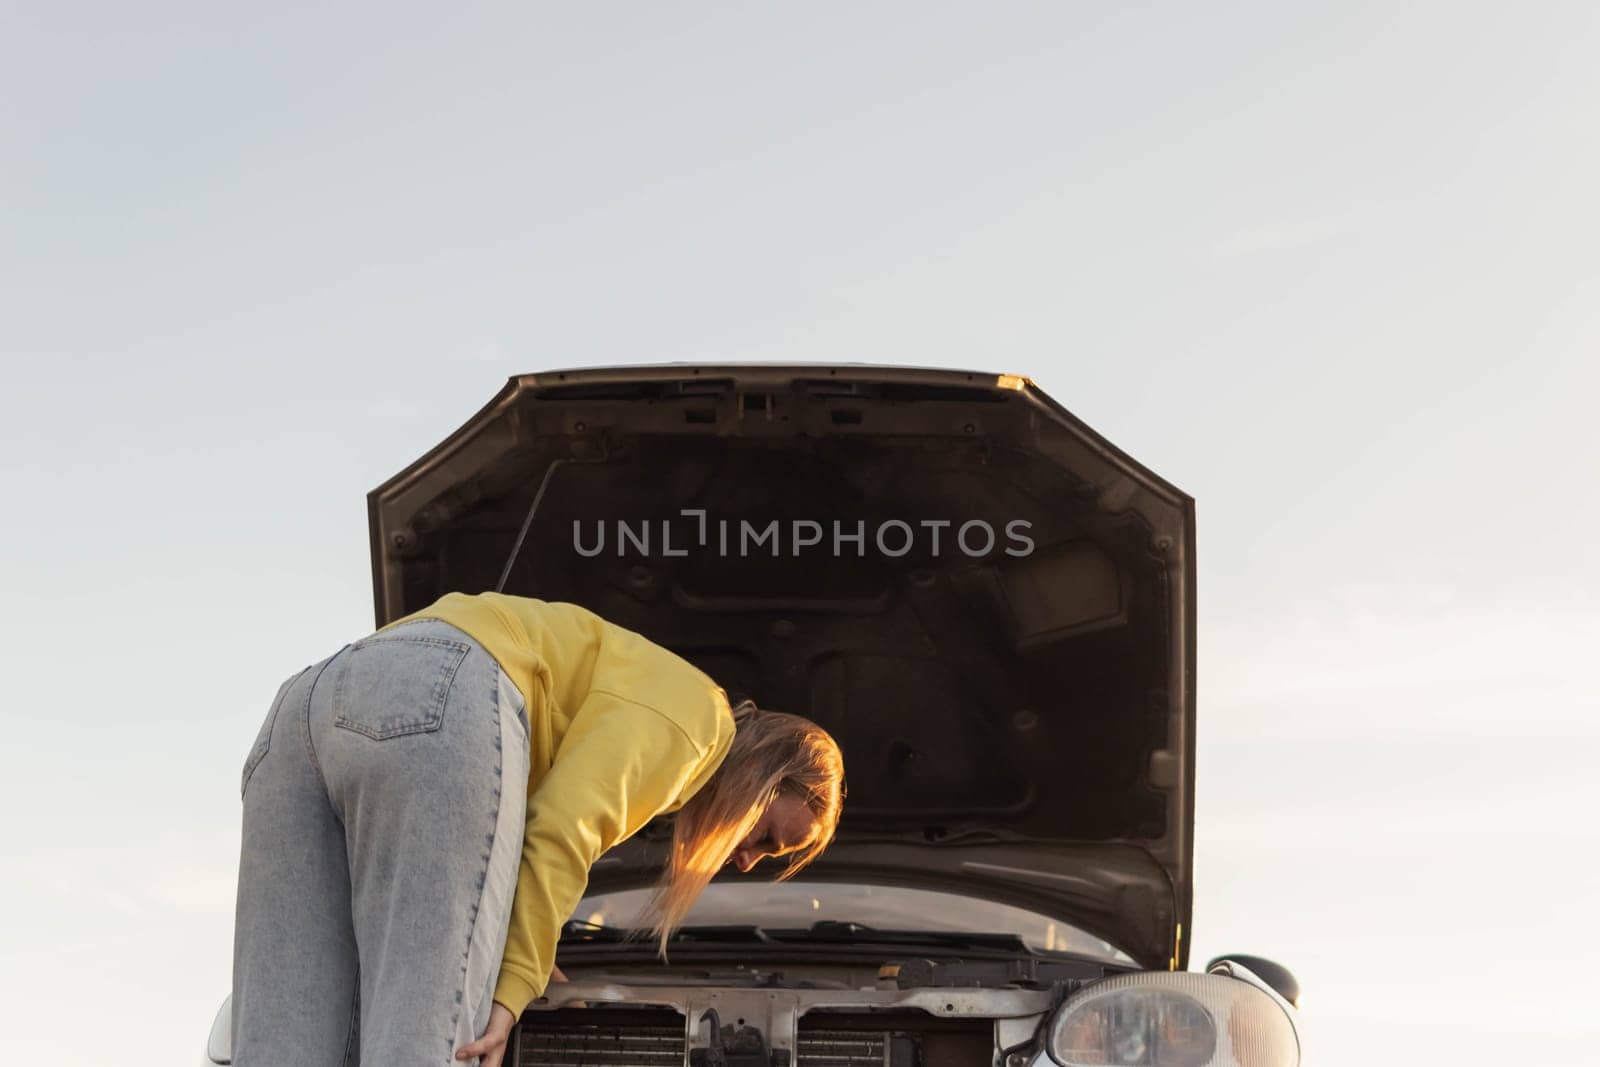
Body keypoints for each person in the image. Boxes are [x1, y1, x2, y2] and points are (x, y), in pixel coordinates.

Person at [231, 591, 845, 1067]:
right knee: (428, 1045)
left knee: (281, 1045)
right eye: (767, 838)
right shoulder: (694, 724)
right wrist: (506, 996)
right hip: (439, 694)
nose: (746, 862)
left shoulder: (656, 696)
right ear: (765, 775)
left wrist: (513, 943)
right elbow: (559, 832)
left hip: (305, 706)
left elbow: (511, 839)